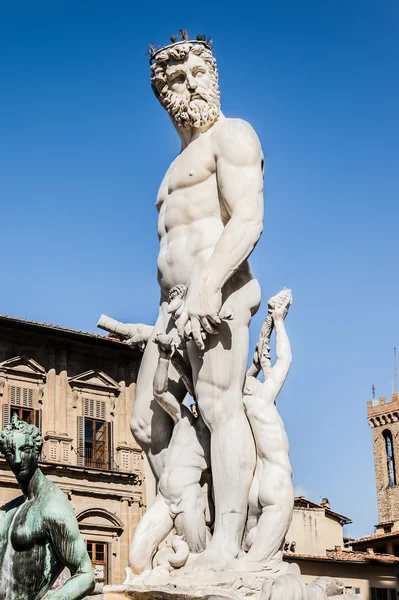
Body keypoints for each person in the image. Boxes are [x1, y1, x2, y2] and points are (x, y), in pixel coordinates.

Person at [130, 32, 264, 570]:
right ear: (163, 95)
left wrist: (208, 287)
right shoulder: (171, 169)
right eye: (173, 81)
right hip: (170, 307)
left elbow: (248, 218)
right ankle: (196, 536)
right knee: (144, 423)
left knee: (219, 409)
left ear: (213, 77)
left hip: (218, 292)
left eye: (195, 75)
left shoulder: (231, 135)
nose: (185, 87)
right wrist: (171, 306)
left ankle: (229, 548)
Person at [128, 333, 210, 575]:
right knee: (136, 559)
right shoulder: (184, 418)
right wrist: (163, 359)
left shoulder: (216, 440)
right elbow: (160, 393)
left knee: (197, 562)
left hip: (189, 501)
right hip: (164, 498)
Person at [0, 414, 94, 600]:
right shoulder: (7, 510)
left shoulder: (52, 505)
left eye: (25, 450)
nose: (18, 459)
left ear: (37, 451)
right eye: (10, 452)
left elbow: (86, 575)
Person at [239, 289, 294, 570]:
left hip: (255, 489)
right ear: (253, 388)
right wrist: (279, 321)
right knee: (260, 567)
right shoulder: (262, 401)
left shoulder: (248, 406)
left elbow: (255, 378)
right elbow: (286, 361)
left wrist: (257, 366)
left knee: (248, 551)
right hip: (276, 480)